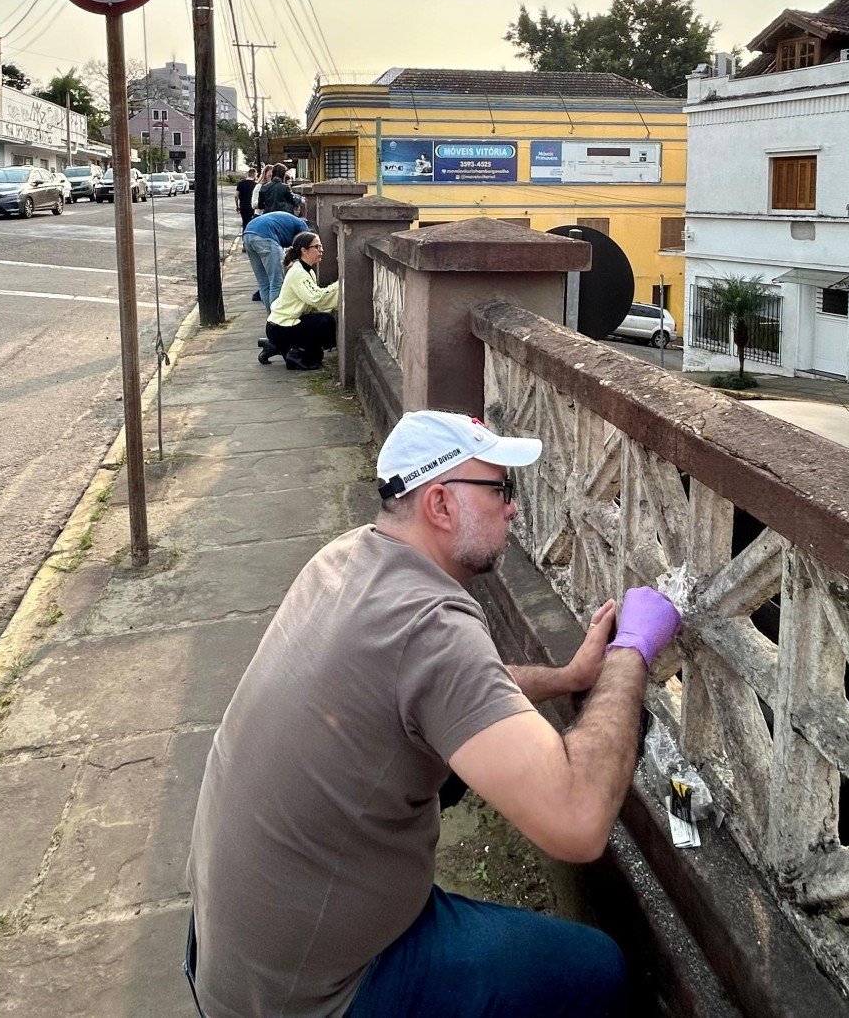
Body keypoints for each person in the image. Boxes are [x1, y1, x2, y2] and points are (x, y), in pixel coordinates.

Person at [186, 409, 681, 1017]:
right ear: (441, 505)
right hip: (315, 998)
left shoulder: (346, 559)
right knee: (595, 970)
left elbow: (464, 697)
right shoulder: (432, 626)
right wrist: (631, 652)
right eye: (500, 489)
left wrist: (571, 679)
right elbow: (578, 821)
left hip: (230, 959)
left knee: (447, 775)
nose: (514, 508)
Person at [260, 231, 338, 370]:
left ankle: (276, 346)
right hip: (280, 326)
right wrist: (341, 284)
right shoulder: (298, 273)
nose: (321, 250)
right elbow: (317, 298)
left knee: (323, 325)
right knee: (325, 322)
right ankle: (292, 353)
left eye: (321, 246)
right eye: (317, 247)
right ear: (304, 250)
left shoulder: (306, 270)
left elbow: (314, 302)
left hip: (283, 324)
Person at [241, 209, 308, 309]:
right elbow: (304, 249)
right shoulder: (303, 228)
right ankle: (277, 319)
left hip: (248, 234)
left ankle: (270, 319)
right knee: (276, 282)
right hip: (266, 237)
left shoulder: (290, 223)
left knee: (264, 283)